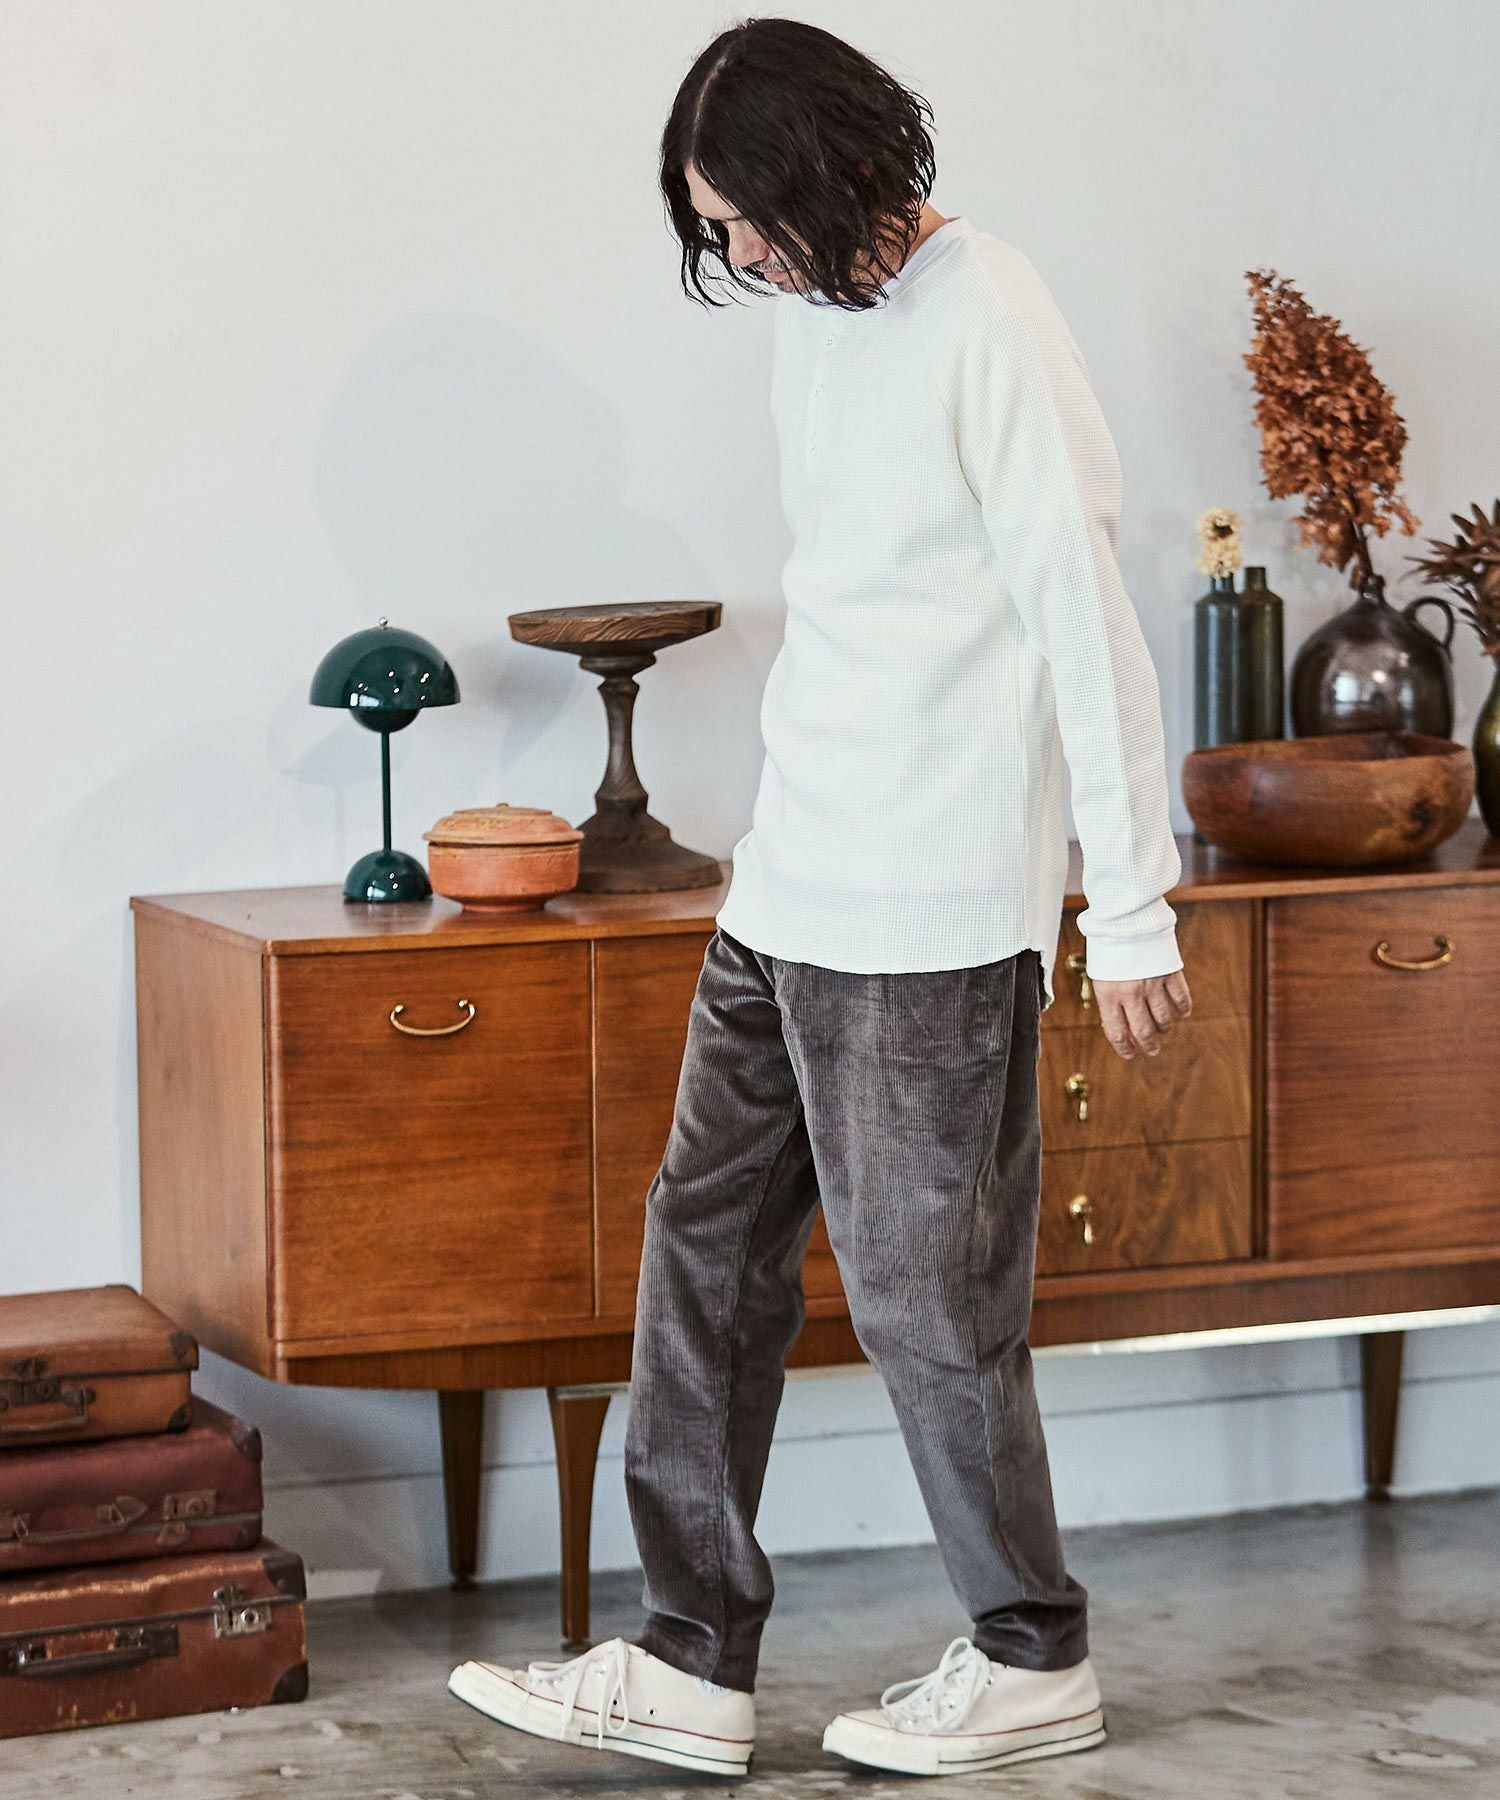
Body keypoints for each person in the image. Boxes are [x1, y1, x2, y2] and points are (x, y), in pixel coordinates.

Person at [448, 15, 1192, 1779]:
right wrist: (761, 864)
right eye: (711, 230)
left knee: (933, 1308)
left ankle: (1032, 1656)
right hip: (789, 889)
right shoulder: (814, 316)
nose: (737, 257)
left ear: (833, 170)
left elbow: (1082, 618)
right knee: (701, 1258)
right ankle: (688, 1660)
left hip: (931, 911)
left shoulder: (989, 313)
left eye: (745, 219)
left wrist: (1133, 903)